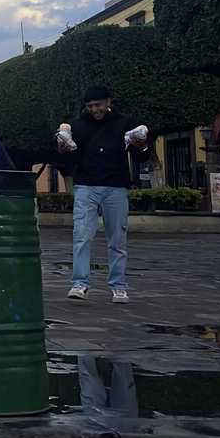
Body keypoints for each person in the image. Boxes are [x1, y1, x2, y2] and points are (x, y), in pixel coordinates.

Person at [57, 86, 150, 304]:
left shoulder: (125, 123)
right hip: (86, 185)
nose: (94, 110)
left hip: (116, 185)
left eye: (98, 105)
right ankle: (80, 283)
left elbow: (140, 157)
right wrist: (62, 148)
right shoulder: (78, 126)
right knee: (81, 235)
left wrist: (142, 145)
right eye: (90, 106)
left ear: (108, 102)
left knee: (117, 239)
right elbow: (69, 158)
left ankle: (119, 286)